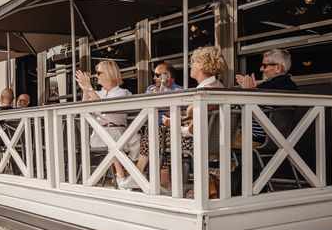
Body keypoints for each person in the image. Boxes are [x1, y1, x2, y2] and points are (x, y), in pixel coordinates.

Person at [118, 47, 225, 192]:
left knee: (155, 131)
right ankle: (160, 181)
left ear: (201, 65)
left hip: (198, 141)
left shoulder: (204, 91)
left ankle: (138, 175)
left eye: (192, 62)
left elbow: (191, 130)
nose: (190, 65)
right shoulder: (216, 86)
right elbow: (197, 121)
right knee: (159, 132)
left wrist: (174, 124)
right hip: (210, 139)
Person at [75, 60, 141, 187]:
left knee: (136, 139)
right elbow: (83, 111)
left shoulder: (122, 92)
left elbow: (104, 107)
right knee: (112, 140)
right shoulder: (97, 93)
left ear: (109, 74)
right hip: (100, 136)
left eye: (99, 73)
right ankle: (121, 177)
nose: (96, 76)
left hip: (120, 132)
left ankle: (132, 175)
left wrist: (89, 89)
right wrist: (85, 90)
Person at [234, 48, 298, 145]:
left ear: (278, 68)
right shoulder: (292, 88)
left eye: (264, 66)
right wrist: (255, 89)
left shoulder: (266, 89)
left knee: (215, 141)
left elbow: (237, 111)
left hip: (250, 139)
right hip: (278, 142)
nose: (261, 69)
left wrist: (247, 92)